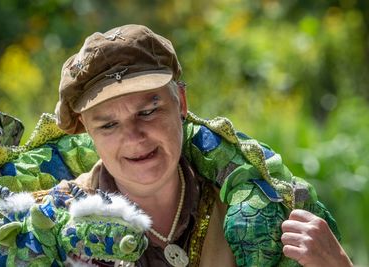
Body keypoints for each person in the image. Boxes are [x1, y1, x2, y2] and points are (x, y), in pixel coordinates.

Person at [55, 24, 353, 267]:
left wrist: (338, 264)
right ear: (87, 132)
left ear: (181, 103)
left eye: (147, 112)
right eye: (108, 125)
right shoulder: (57, 229)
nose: (134, 137)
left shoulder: (254, 203)